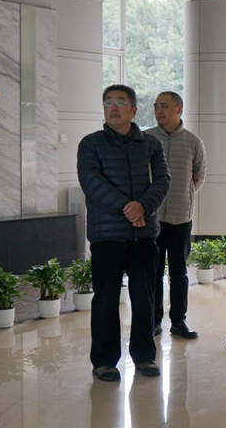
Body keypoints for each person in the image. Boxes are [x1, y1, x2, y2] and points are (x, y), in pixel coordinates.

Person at [77, 84, 170, 381]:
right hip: (107, 234)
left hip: (143, 234)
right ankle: (104, 361)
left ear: (134, 110)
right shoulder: (91, 144)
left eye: (120, 102)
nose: (113, 107)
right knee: (105, 299)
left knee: (144, 297)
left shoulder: (151, 144)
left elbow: (163, 180)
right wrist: (127, 208)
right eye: (108, 102)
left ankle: (144, 356)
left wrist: (143, 206)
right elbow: (92, 182)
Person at [146, 91, 207, 340]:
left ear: (179, 109)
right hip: (151, 218)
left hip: (181, 218)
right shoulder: (146, 139)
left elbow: (198, 177)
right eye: (156, 106)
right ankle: (154, 320)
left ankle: (179, 320)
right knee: (153, 271)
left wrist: (184, 196)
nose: (159, 111)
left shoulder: (193, 142)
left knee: (179, 273)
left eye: (164, 106)